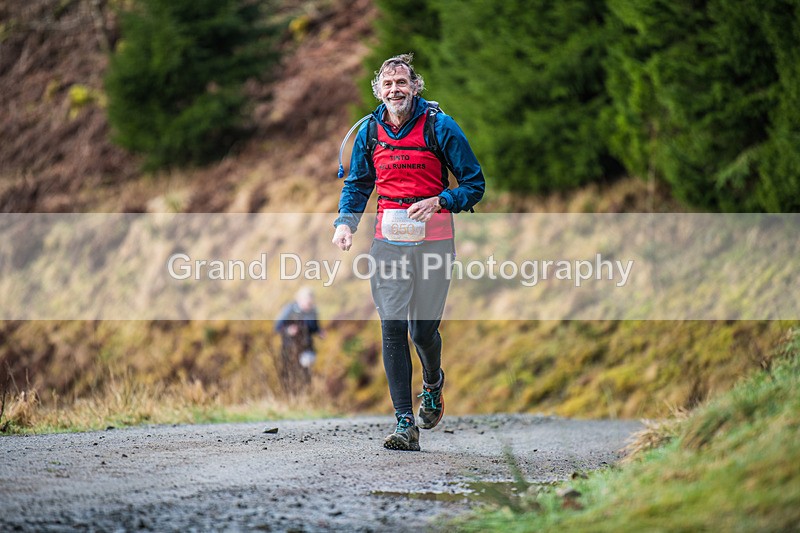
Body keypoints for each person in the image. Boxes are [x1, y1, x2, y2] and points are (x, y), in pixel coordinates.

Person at [332, 54, 485, 451]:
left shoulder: (440, 126)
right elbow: (358, 183)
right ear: (378, 91)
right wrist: (345, 223)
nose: (395, 90)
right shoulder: (369, 131)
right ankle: (405, 423)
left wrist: (441, 200)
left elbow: (474, 184)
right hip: (387, 243)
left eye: (402, 82)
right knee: (392, 326)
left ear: (415, 86)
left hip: (435, 241)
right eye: (388, 84)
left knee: (422, 330)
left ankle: (432, 383)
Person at [275, 287, 323, 392]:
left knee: (306, 373)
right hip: (290, 348)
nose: (308, 306)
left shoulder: (313, 311)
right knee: (290, 374)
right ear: (300, 300)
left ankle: (304, 396)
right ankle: (290, 397)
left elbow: (314, 327)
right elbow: (277, 327)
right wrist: (288, 330)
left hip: (306, 347)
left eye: (310, 303)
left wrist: (320, 332)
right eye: (307, 303)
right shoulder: (289, 310)